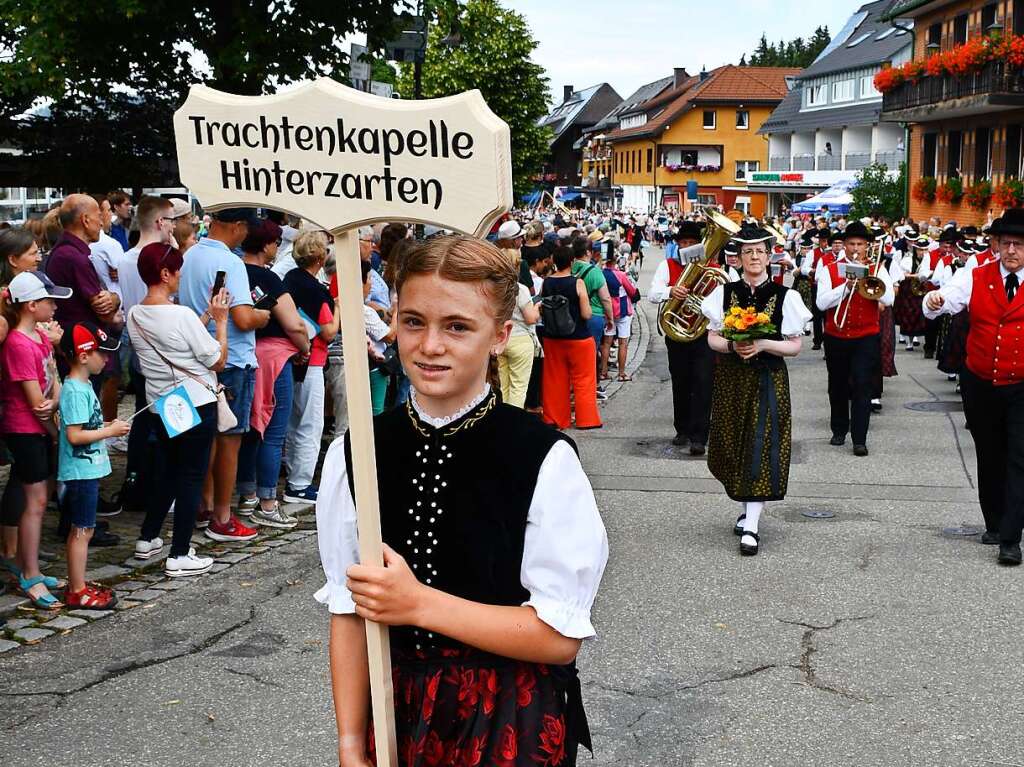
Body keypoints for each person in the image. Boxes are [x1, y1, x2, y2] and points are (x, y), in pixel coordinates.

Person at [315, 234, 608, 767]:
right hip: (394, 708)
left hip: (506, 715)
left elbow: (558, 635)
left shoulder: (541, 456)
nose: (429, 346)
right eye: (413, 322)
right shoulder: (355, 452)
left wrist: (419, 603)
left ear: (500, 336)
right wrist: (351, 743)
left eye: (456, 327)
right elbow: (348, 612)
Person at [702, 226, 810, 555]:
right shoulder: (723, 293)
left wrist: (762, 343)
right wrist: (734, 348)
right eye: (748, 252)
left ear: (769, 255)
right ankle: (748, 508)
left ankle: (752, 526)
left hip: (767, 378)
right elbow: (712, 338)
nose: (754, 257)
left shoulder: (785, 296)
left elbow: (795, 347)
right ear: (738, 257)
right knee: (733, 444)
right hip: (732, 380)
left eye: (760, 251)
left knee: (761, 445)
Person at [923, 210, 1024, 565]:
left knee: (1019, 457)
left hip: (1021, 384)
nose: (1011, 250)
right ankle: (994, 523)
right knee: (990, 452)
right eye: (1006, 243)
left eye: (1019, 245)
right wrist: (934, 302)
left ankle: (1011, 538)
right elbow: (946, 297)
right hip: (979, 380)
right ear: (996, 245)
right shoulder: (976, 274)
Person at [127, 244, 225, 576]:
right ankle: (179, 552)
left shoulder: (135, 313)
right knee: (191, 477)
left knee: (169, 471)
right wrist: (220, 323)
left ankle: (148, 537)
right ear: (165, 273)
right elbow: (217, 359)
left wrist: (206, 316)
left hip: (164, 403)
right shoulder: (179, 314)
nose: (180, 274)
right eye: (177, 269)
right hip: (195, 400)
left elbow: (174, 342)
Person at [179, 208, 269, 542]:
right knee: (229, 439)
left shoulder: (189, 255)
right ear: (236, 226)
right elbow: (244, 318)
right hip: (232, 357)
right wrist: (264, 315)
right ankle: (222, 516)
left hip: (198, 357)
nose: (247, 235)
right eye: (246, 228)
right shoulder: (232, 263)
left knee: (205, 437)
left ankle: (203, 506)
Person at [1, 271, 71, 608]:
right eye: (49, 301)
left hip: (41, 429)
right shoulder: (17, 343)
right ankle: (28, 571)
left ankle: (33, 567)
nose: (55, 307)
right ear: (31, 305)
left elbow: (53, 386)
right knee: (35, 502)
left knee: (39, 502)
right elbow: (35, 404)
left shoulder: (40, 338)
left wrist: (55, 403)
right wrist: (54, 420)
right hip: (25, 430)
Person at [236, 219, 310, 528]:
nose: (277, 248)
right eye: (276, 242)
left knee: (250, 429)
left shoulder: (236, 273)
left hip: (245, 355)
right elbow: (293, 323)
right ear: (267, 245)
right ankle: (268, 503)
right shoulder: (268, 278)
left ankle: (247, 495)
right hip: (276, 358)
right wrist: (304, 347)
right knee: (273, 431)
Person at [57, 322, 127, 609]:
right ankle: (77, 589)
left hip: (88, 469)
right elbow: (74, 435)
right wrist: (109, 432)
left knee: (84, 529)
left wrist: (108, 425)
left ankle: (79, 583)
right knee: (82, 530)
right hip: (80, 472)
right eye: (102, 353)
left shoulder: (83, 386)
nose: (107, 359)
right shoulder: (75, 389)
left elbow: (87, 425)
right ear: (84, 356)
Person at [116, 195, 177, 511]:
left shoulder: (126, 259)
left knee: (144, 414)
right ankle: (162, 488)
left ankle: (139, 480)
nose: (174, 226)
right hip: (162, 349)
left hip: (139, 345)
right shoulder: (159, 259)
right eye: (171, 220)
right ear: (159, 222)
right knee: (168, 417)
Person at [816, 221, 895, 456]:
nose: (855, 249)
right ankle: (839, 429)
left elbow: (889, 298)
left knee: (863, 385)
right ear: (844, 245)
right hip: (836, 335)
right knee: (837, 384)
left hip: (866, 337)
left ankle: (860, 438)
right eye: (851, 243)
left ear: (867, 246)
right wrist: (846, 288)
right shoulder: (830, 268)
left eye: (860, 244)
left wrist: (869, 281)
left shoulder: (877, 267)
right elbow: (821, 303)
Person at [647, 220, 714, 454]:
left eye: (691, 243)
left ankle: (699, 436)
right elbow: (653, 294)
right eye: (683, 242)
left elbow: (726, 295)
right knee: (681, 382)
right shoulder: (668, 266)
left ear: (700, 245)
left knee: (704, 383)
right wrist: (670, 291)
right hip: (677, 333)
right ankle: (682, 429)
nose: (686, 246)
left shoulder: (712, 267)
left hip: (704, 334)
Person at [282, 230, 339, 503]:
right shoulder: (316, 290)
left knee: (293, 422)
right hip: (312, 360)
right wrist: (338, 306)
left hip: (288, 357)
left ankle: (293, 475)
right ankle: (300, 483)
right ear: (319, 257)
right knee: (310, 424)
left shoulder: (289, 279)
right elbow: (328, 331)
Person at [45, 194, 120, 374]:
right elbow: (104, 313)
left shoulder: (66, 252)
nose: (102, 224)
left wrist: (113, 298)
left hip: (77, 348)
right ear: (85, 220)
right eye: (99, 217)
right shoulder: (73, 257)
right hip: (82, 352)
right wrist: (114, 301)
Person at [540, 244, 600, 430]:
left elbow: (543, 306)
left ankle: (555, 418)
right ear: (572, 262)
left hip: (553, 338)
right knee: (584, 379)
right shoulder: (577, 283)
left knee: (554, 379)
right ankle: (586, 419)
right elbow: (586, 314)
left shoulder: (547, 282)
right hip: (579, 338)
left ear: (554, 261)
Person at [498, 279, 539, 408]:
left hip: (500, 339)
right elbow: (531, 318)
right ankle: (513, 424)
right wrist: (537, 307)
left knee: (503, 386)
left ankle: (503, 422)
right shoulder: (520, 288)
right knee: (518, 388)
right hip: (520, 338)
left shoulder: (493, 286)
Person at [599, 250, 638, 382]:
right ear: (615, 261)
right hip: (622, 311)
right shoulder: (620, 275)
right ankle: (621, 373)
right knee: (623, 343)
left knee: (607, 343)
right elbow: (632, 291)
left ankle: (603, 372)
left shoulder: (600, 274)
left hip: (607, 311)